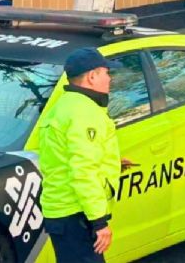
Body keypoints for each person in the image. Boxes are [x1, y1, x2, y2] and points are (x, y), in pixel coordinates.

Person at [38, 48, 124, 263]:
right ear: (92, 76)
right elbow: (83, 171)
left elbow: (63, 156)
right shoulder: (85, 113)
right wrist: (99, 222)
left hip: (61, 212)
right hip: (76, 214)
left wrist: (112, 162)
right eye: (106, 72)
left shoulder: (62, 106)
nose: (109, 78)